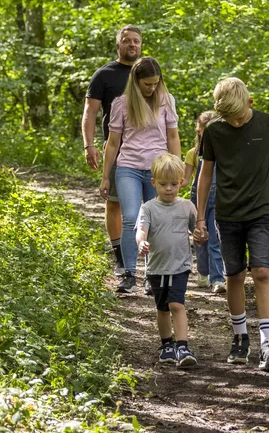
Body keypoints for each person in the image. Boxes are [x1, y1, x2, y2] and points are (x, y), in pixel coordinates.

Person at [194, 77, 269, 372]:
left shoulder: (268, 124)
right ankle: (239, 336)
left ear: (250, 102)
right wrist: (199, 217)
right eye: (229, 119)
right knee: (233, 276)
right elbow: (205, 175)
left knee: (261, 272)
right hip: (228, 214)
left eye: (238, 117)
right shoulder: (214, 131)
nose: (234, 124)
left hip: (261, 211)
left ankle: (268, 344)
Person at [102, 56, 181, 294]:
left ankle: (151, 275)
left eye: (156, 83)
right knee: (130, 218)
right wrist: (106, 176)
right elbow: (113, 142)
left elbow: (173, 137)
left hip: (157, 169)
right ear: (136, 81)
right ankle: (128, 274)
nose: (152, 87)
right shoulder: (121, 104)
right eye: (147, 84)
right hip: (128, 167)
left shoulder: (167, 101)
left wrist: (176, 168)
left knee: (153, 221)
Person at [82, 25, 142, 277]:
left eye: (136, 41)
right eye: (126, 41)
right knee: (116, 204)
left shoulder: (147, 72)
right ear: (118, 46)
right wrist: (89, 144)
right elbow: (90, 113)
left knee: (147, 207)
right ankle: (120, 257)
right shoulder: (104, 75)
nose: (131, 45)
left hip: (148, 150)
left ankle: (150, 262)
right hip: (116, 149)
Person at [136, 153, 199, 368]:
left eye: (173, 184)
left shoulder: (187, 206)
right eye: (163, 184)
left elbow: (196, 229)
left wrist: (201, 234)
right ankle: (166, 345)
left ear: (181, 182)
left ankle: (182, 345)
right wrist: (141, 242)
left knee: (177, 304)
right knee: (162, 307)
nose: (169, 189)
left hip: (180, 265)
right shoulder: (148, 208)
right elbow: (141, 229)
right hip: (156, 267)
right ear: (154, 183)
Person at [184, 111, 224, 293]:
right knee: (200, 238)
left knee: (215, 240)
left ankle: (218, 279)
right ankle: (203, 273)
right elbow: (185, 180)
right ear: (199, 131)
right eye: (204, 130)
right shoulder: (193, 154)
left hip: (218, 200)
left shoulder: (223, 152)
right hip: (197, 201)